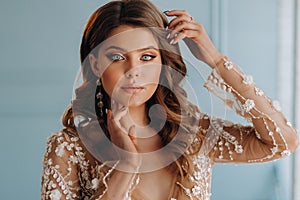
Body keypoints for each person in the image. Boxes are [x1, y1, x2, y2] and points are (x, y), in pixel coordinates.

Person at [40, 0, 299, 199]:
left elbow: (282, 143)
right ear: (95, 64)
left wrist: (215, 59)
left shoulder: (195, 134)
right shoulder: (69, 148)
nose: (134, 71)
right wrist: (126, 166)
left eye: (147, 57)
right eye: (117, 57)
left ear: (164, 63)